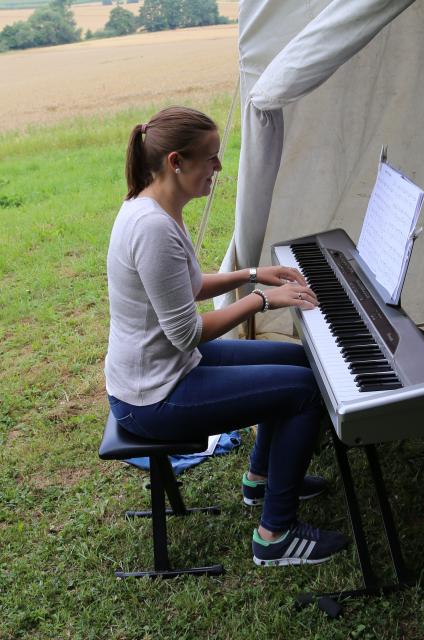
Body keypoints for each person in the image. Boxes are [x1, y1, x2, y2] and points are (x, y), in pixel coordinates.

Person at [105, 105, 347, 566]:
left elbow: (191, 287)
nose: (218, 168)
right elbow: (186, 334)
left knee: (298, 362)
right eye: (211, 158)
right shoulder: (152, 227)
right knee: (304, 392)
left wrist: (257, 273)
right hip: (153, 397)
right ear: (176, 162)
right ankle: (275, 536)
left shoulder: (154, 206)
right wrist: (261, 299)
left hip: (167, 371)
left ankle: (260, 480)